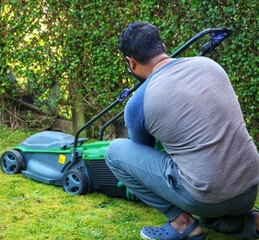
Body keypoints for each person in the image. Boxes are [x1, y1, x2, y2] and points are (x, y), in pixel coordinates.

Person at [105, 22, 259, 240]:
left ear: (131, 63)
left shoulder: (139, 102)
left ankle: (181, 223)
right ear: (162, 45)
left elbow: (143, 153)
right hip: (250, 187)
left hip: (207, 198)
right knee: (210, 213)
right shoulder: (209, 66)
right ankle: (249, 220)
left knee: (114, 151)